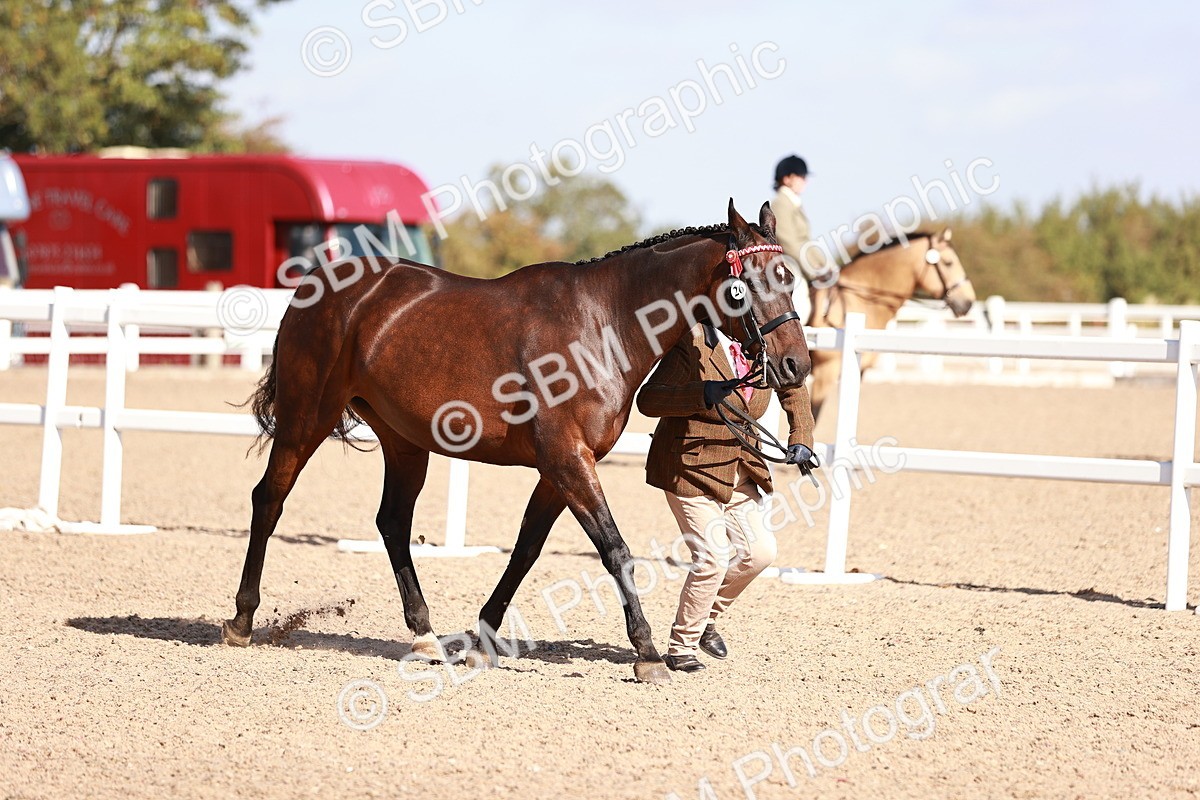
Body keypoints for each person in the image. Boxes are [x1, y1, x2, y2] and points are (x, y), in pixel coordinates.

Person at [636, 321, 817, 672]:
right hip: (689, 466)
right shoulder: (692, 340)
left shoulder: (764, 340)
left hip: (740, 466)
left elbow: (793, 388)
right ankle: (681, 647)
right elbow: (649, 399)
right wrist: (700, 393)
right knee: (713, 557)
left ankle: (705, 619)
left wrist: (802, 437)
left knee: (761, 553)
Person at [771, 155, 834, 324]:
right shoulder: (780, 203)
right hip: (787, 263)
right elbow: (788, 242)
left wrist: (827, 265)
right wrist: (813, 270)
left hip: (798, 261)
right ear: (787, 179)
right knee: (801, 302)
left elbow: (806, 242)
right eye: (801, 177)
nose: (805, 181)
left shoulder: (795, 204)